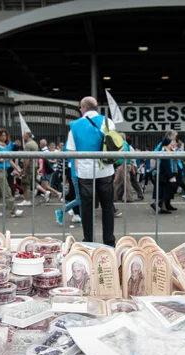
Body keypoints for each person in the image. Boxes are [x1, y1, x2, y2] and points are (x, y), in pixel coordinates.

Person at [66, 96, 116, 246]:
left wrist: (76, 169)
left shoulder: (74, 126)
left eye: (81, 107)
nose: (80, 110)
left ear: (85, 108)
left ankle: (88, 241)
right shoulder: (108, 122)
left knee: (87, 208)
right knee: (107, 206)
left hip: (85, 172)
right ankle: (109, 241)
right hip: (106, 169)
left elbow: (71, 151)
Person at [0, 129, 22, 217]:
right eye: (2, 135)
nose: (3, 137)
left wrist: (17, 169)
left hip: (5, 170)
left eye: (5, 135)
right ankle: (13, 211)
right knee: (6, 189)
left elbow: (10, 160)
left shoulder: (7, 146)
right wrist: (2, 159)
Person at [151, 137, 177, 214]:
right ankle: (156, 203)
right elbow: (167, 166)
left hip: (163, 175)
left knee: (164, 191)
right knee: (169, 189)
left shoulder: (166, 151)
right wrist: (170, 176)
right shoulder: (165, 152)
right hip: (164, 175)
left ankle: (163, 207)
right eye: (171, 143)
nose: (172, 144)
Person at [18, 131, 39, 207]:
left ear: (27, 136)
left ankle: (26, 199)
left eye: (24, 136)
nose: (23, 137)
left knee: (25, 182)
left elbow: (27, 158)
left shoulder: (28, 145)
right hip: (35, 165)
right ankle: (27, 199)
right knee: (30, 182)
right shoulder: (35, 143)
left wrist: (24, 169)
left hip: (30, 166)